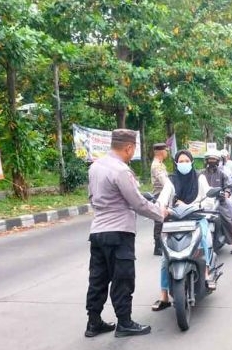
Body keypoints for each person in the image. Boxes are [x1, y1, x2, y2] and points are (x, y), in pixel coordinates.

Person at [85, 129, 167, 338]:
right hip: (119, 233)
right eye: (133, 149)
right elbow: (138, 203)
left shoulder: (95, 166)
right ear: (128, 147)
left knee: (98, 279)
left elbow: (92, 197)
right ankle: (124, 323)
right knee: (123, 278)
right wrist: (161, 213)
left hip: (97, 232)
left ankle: (93, 322)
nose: (133, 153)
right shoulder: (121, 171)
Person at [151, 150, 215, 312]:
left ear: (192, 162)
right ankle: (164, 295)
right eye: (181, 161)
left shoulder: (199, 178)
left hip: (196, 218)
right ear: (176, 163)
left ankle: (207, 273)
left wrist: (201, 206)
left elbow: (209, 198)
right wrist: (162, 208)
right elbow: (163, 198)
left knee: (205, 239)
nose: (184, 163)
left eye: (187, 160)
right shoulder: (171, 181)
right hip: (175, 221)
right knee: (166, 257)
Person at [203, 149, 232, 254]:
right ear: (206, 160)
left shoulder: (222, 174)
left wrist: (227, 192)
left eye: (214, 159)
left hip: (219, 202)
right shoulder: (201, 174)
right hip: (205, 202)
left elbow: (230, 185)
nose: (211, 161)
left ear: (218, 160)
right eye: (210, 159)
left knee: (228, 221)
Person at [150, 142, 169, 256]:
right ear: (162, 152)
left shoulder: (160, 164)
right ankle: (157, 247)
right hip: (159, 196)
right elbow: (164, 182)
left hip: (162, 195)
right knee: (159, 221)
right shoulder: (157, 165)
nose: (167, 153)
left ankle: (162, 244)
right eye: (166, 151)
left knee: (163, 221)